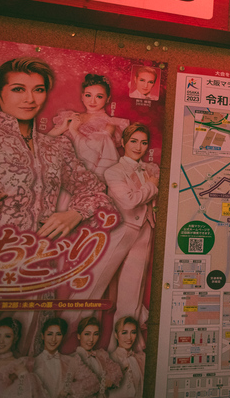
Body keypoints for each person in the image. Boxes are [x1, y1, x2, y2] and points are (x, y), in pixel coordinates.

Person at [0, 57, 115, 236]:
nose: (30, 99)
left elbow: (96, 193)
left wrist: (75, 214)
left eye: (38, 90)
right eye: (18, 89)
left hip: (40, 256)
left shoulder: (56, 146)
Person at [62, 123, 159, 336]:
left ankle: (125, 342)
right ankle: (65, 327)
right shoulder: (114, 171)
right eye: (133, 141)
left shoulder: (150, 170)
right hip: (121, 229)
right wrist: (151, 186)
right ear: (123, 143)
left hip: (145, 230)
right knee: (97, 280)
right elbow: (129, 200)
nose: (138, 146)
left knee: (133, 290)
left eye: (143, 142)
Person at [49, 74, 129, 181]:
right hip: (56, 170)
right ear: (82, 96)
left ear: (108, 99)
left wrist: (74, 131)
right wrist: (63, 127)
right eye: (88, 95)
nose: (92, 101)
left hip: (83, 177)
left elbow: (93, 154)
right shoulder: (71, 117)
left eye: (99, 96)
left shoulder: (109, 124)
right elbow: (44, 141)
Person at [0, 318, 47, 398]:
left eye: (7, 336)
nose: (1, 341)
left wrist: (24, 374)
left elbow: (25, 392)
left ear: (15, 339)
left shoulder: (17, 365)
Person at [33, 318, 98, 398]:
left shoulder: (72, 361)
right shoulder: (32, 363)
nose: (53, 339)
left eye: (58, 334)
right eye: (49, 334)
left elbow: (94, 382)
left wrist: (69, 390)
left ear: (63, 337)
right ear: (43, 336)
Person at [74, 317, 122, 398]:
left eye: (95, 334)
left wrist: (109, 380)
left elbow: (117, 372)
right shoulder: (73, 359)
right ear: (79, 336)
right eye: (87, 334)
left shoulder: (101, 355)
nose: (91, 339)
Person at [107, 317, 144, 398]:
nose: (129, 337)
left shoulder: (140, 359)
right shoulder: (109, 359)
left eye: (133, 332)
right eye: (124, 333)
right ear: (116, 335)